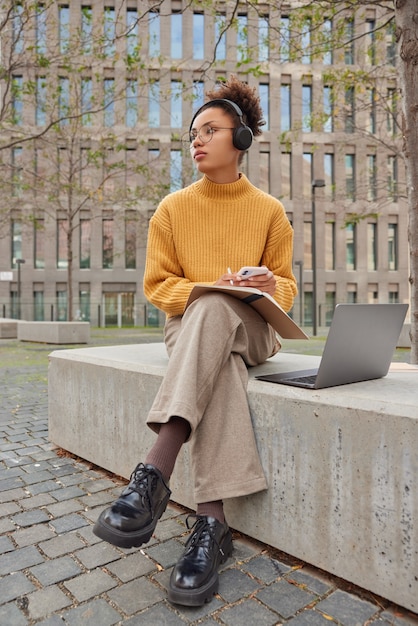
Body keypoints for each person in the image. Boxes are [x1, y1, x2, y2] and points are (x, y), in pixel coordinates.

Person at [93, 75, 297, 606]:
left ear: (243, 139)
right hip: (189, 328)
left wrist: (270, 285)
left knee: (219, 314)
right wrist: (210, 290)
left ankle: (154, 474)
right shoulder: (172, 208)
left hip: (254, 328)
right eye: (192, 134)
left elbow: (288, 287)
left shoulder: (270, 211)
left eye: (210, 130)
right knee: (214, 338)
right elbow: (158, 286)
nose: (197, 142)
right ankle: (213, 526)